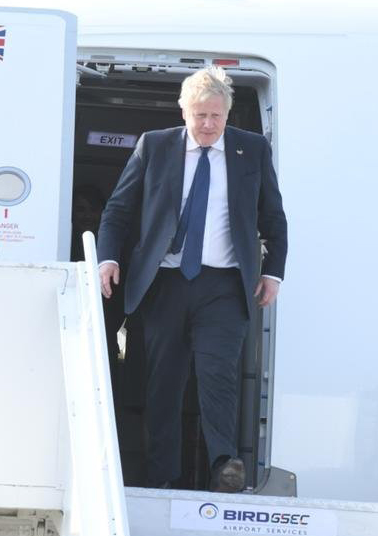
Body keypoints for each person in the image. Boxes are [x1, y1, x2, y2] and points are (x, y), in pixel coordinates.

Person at [97, 66, 287, 492]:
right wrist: (107, 259)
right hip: (164, 283)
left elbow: (273, 217)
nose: (207, 125)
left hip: (223, 284)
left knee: (217, 371)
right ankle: (162, 475)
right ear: (183, 111)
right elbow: (118, 210)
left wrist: (272, 271)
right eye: (200, 115)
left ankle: (225, 464)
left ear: (227, 114)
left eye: (216, 117)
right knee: (164, 383)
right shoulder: (156, 146)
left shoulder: (251, 150)